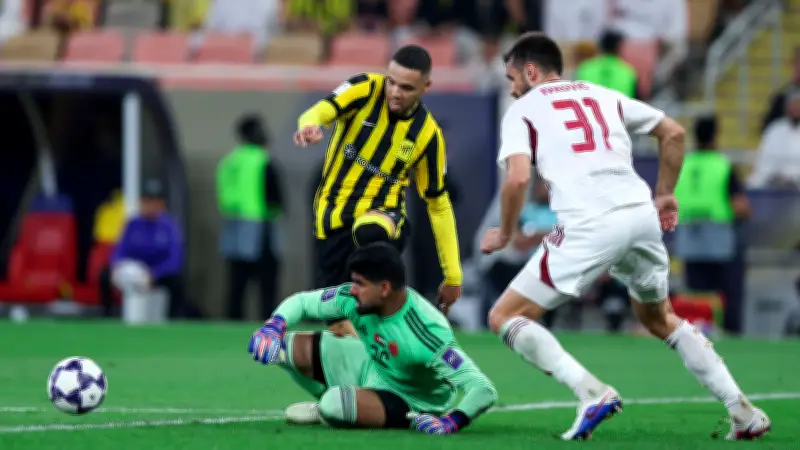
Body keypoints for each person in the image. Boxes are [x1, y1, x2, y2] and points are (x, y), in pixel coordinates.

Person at [480, 32, 771, 441]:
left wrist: (505, 233)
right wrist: (665, 193)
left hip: (589, 222)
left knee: (504, 316)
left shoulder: (523, 109)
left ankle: (590, 392)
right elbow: (673, 133)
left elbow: (516, 179)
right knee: (660, 318)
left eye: (512, 79)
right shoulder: (602, 95)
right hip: (640, 216)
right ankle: (743, 411)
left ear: (530, 72)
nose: (512, 90)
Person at [294, 44, 463, 336]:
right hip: (333, 218)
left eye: (406, 87)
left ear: (426, 87)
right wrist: (310, 125)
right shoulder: (364, 88)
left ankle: (400, 314)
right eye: (392, 82)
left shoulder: (428, 135)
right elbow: (321, 109)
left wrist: (453, 276)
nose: (395, 92)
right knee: (338, 325)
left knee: (370, 232)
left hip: (384, 216)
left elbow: (438, 204)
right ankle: (373, 349)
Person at [247, 242, 497, 434]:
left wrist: (451, 421)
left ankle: (336, 409)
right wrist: (273, 327)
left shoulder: (426, 332)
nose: (352, 290)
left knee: (335, 405)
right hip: (371, 367)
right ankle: (339, 407)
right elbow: (302, 302)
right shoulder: (353, 299)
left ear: (384, 288)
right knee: (285, 346)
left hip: (409, 399)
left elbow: (483, 389)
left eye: (360, 283)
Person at [217, 114, 285, 320]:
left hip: (235, 224)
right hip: (262, 225)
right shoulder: (263, 159)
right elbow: (275, 195)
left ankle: (233, 320)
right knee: (267, 283)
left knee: (237, 281)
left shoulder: (230, 161)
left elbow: (224, 194)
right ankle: (268, 321)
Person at [100, 180, 186, 318]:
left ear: (161, 204)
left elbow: (174, 259)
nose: (149, 205)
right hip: (134, 270)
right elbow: (120, 250)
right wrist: (117, 266)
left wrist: (154, 274)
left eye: (153, 201)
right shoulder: (133, 224)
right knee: (105, 275)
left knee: (176, 282)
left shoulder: (169, 226)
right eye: (146, 200)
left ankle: (172, 319)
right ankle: (108, 315)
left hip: (156, 273)